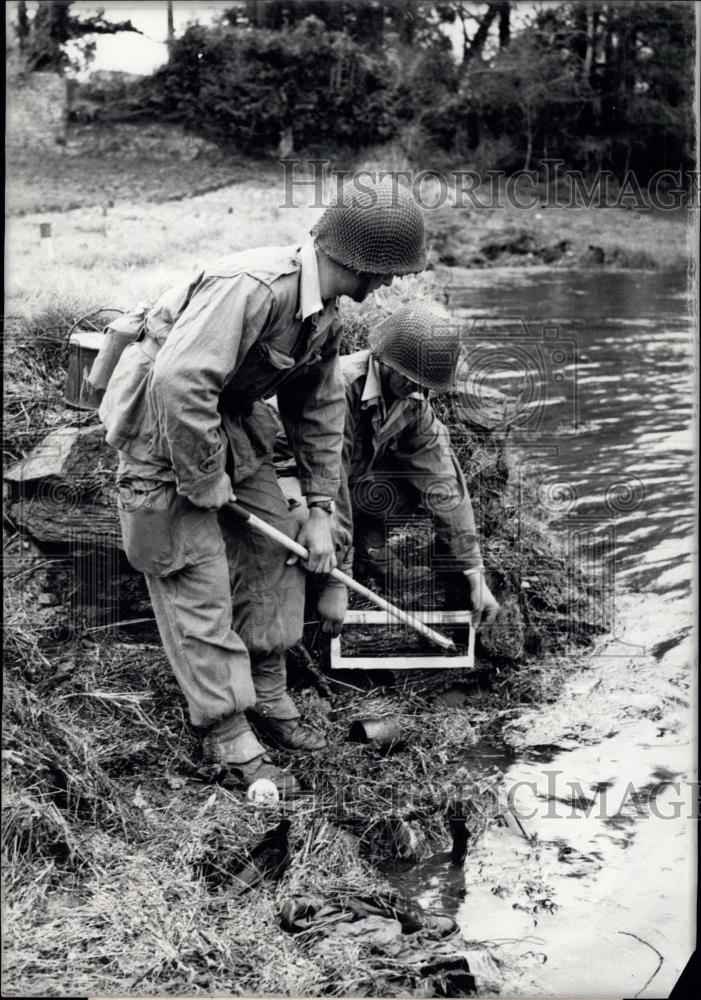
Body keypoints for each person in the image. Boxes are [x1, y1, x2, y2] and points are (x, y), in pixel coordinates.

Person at [98, 179, 427, 797]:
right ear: (355, 258)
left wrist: (322, 509)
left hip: (233, 423)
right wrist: (203, 478)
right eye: (385, 272)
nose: (386, 285)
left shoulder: (323, 314)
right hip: (161, 431)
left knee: (277, 554)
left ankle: (270, 696)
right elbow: (177, 384)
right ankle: (226, 730)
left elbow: (320, 409)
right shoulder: (250, 289)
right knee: (196, 578)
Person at [314, 302, 500, 640]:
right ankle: (330, 568)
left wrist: (475, 574)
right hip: (297, 482)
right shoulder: (341, 385)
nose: (418, 392)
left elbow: (443, 482)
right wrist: (337, 581)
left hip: (347, 482)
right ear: (385, 360)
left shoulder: (413, 398)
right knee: (304, 526)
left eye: (425, 385)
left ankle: (367, 549)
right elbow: (329, 483)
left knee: (406, 485)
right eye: (412, 379)